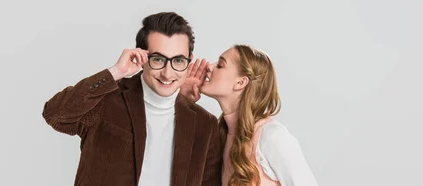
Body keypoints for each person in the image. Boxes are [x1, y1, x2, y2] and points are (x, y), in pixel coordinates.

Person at [42, 12, 222, 186]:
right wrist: (115, 72)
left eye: (178, 60)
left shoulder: (205, 124)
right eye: (158, 59)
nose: (168, 73)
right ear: (142, 56)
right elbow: (55, 115)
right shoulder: (106, 100)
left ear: (189, 59)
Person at [181, 44, 318, 186]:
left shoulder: (271, 136)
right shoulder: (221, 135)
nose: (209, 67)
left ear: (240, 82)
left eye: (220, 65)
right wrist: (183, 101)